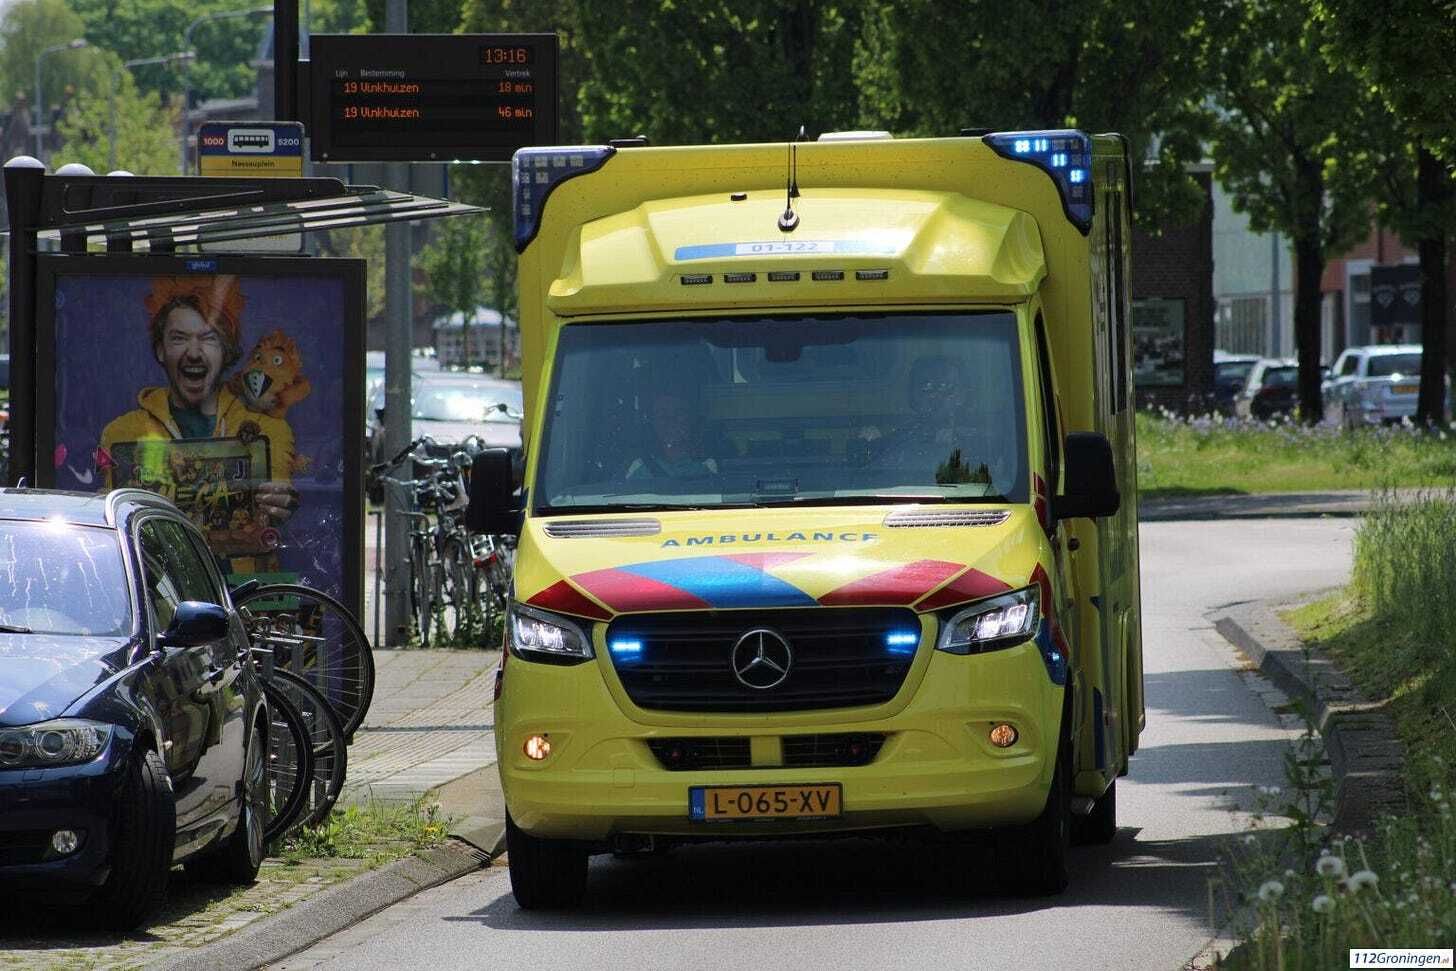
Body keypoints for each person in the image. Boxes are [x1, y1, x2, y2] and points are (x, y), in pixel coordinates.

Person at [98, 275, 298, 570]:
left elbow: (279, 500)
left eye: (208, 338)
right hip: (154, 590)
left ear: (226, 352)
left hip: (240, 593)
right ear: (160, 350)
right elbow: (110, 516)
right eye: (179, 338)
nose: (194, 352)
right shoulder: (123, 433)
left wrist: (281, 502)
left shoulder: (268, 430)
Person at [870, 354, 1009, 488]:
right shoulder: (897, 441)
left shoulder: (983, 443)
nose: (935, 396)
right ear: (913, 395)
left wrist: (958, 444)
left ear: (962, 394)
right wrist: (871, 447)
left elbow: (993, 484)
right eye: (926, 387)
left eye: (946, 387)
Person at [625, 388, 719, 479]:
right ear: (652, 423)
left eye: (679, 414)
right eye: (662, 416)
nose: (671, 421)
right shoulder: (639, 467)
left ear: (691, 420)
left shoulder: (713, 464)